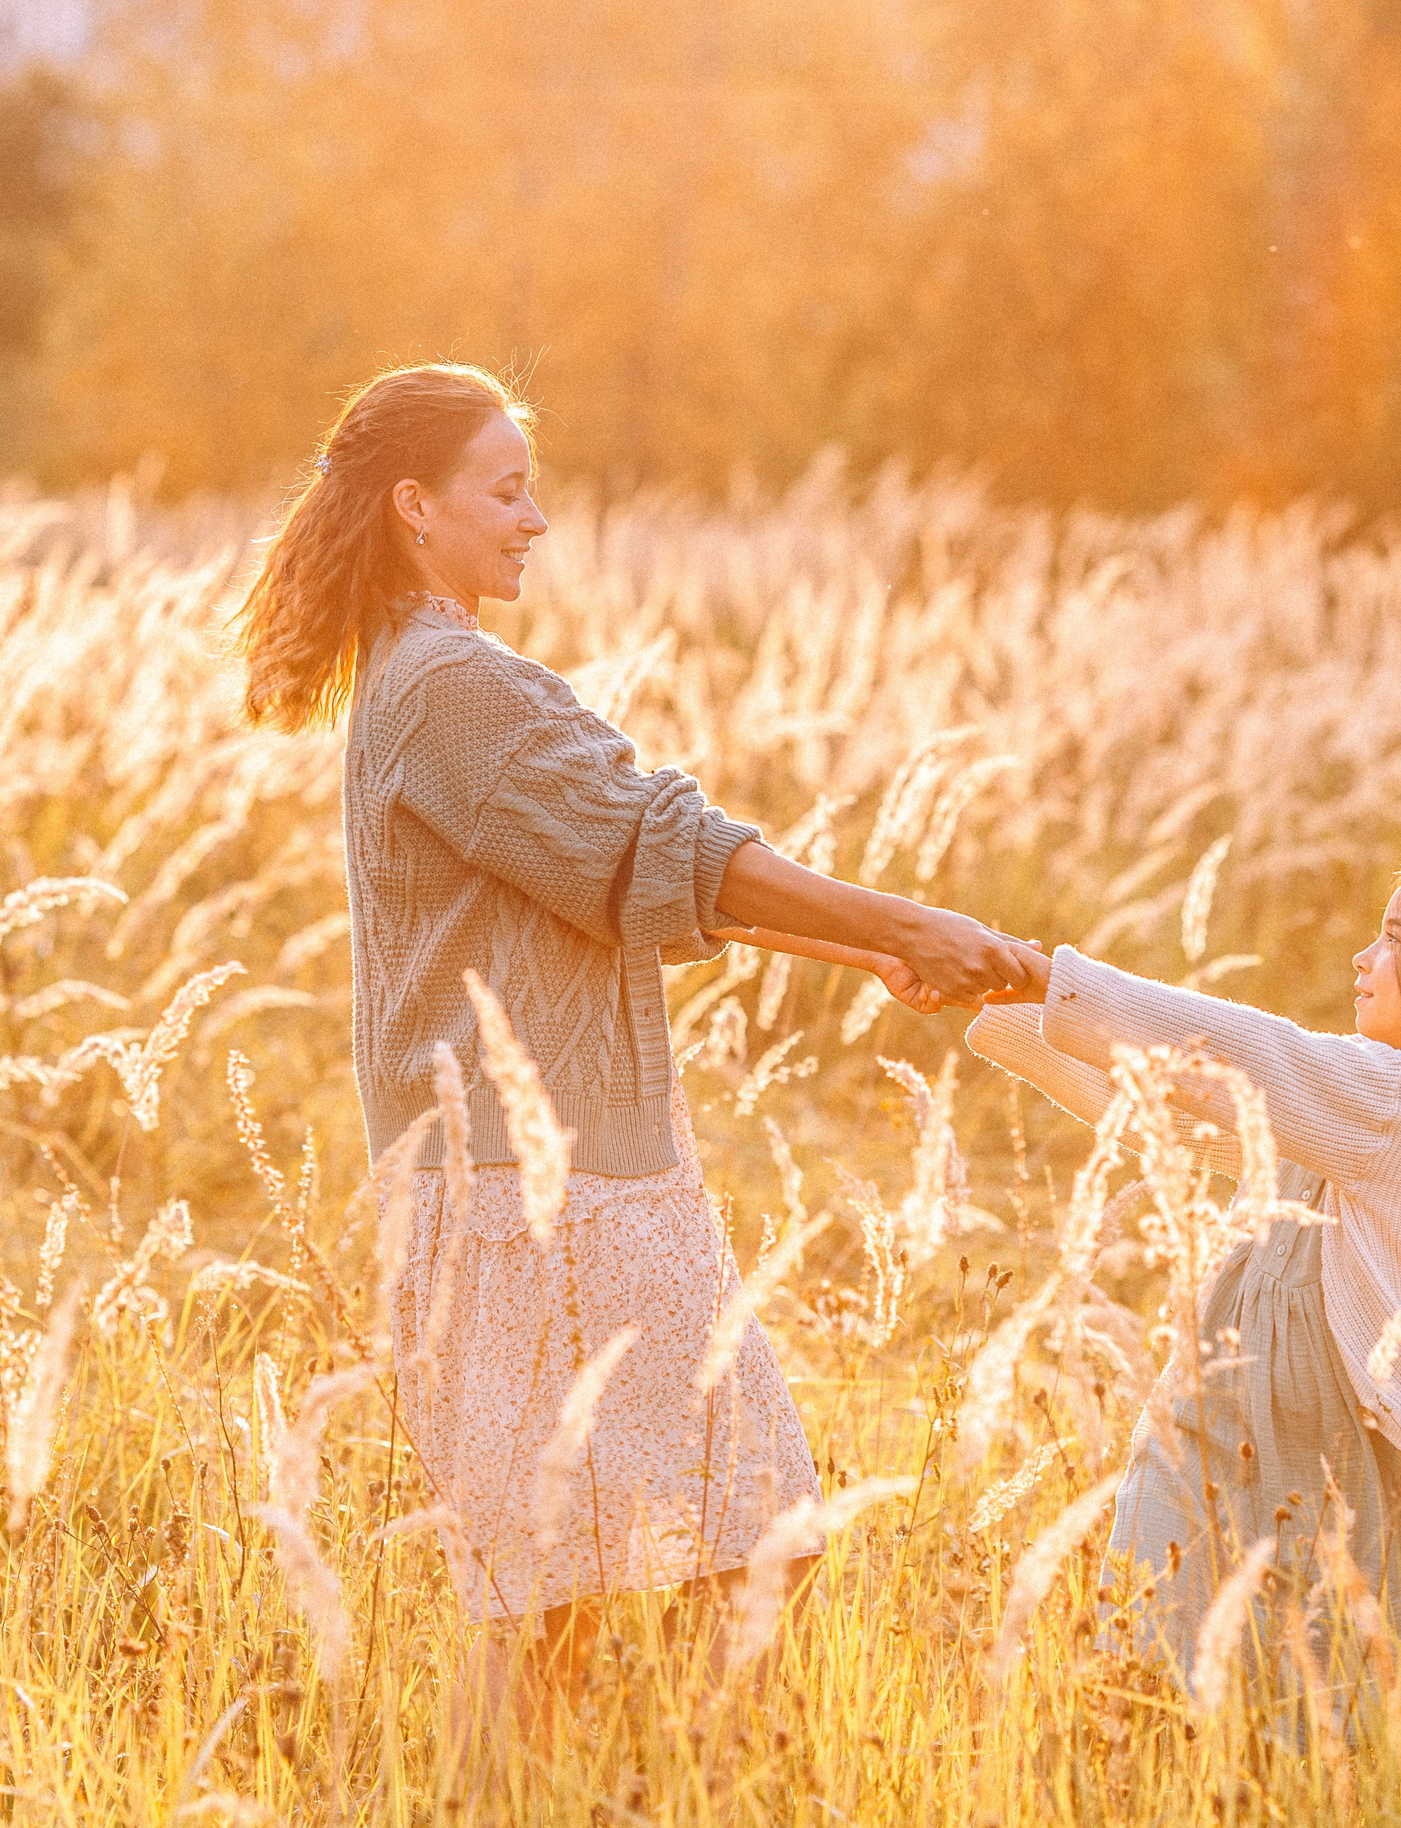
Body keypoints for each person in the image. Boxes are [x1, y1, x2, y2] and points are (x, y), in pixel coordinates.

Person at [231, 362, 1038, 1711]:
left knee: (583, 1594)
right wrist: (901, 918)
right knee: (668, 1566)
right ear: (416, 507)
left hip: (540, 1181)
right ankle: (655, 1788)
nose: (534, 518)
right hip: (537, 1194)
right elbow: (659, 847)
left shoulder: (420, 673)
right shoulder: (450, 684)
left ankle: (629, 1786)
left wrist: (869, 950)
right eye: (506, 491)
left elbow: (618, 881)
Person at [966, 853, 1401, 1700]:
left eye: (1393, 940)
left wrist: (1054, 983)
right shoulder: (1352, 1097)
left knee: (1308, 1658)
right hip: (1214, 1406)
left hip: (1323, 1430)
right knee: (1151, 1639)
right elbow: (1169, 1104)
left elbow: (1258, 1057)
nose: (1362, 958)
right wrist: (1015, 1003)